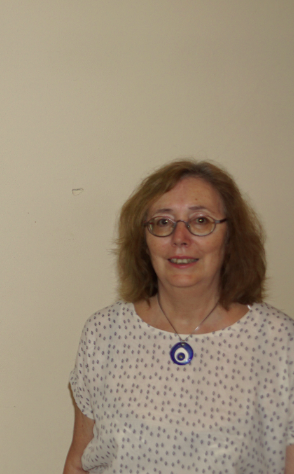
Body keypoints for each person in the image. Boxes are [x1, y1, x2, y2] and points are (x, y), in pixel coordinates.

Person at [64, 160, 294, 473]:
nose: (180, 238)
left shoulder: (281, 343)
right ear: (144, 241)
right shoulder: (104, 333)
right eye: (163, 222)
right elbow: (78, 462)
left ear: (230, 238)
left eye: (201, 220)